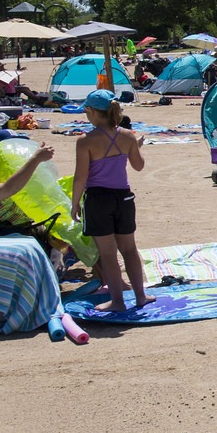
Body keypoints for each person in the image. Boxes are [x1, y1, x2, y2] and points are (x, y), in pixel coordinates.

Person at [70, 89, 150, 312]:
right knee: (130, 249)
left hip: (98, 199)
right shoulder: (127, 136)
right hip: (123, 198)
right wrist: (136, 147)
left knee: (108, 253)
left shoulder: (85, 141)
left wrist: (75, 203)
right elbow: (139, 166)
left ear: (92, 112)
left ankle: (117, 301)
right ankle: (140, 296)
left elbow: (80, 177)